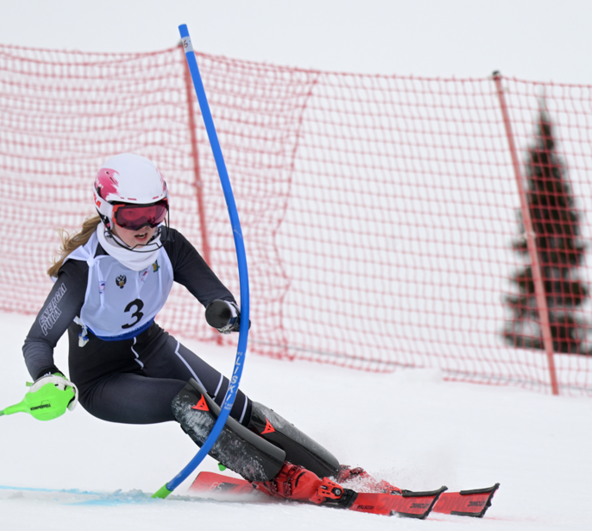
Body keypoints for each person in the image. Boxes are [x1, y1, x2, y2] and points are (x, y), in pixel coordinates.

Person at [21, 153, 386, 505]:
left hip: (152, 347)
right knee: (188, 399)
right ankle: (279, 477)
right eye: (131, 216)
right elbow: (38, 340)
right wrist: (47, 376)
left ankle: (337, 474)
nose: (145, 227)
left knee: (237, 406)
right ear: (105, 211)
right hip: (103, 380)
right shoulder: (84, 269)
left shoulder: (169, 245)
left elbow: (217, 296)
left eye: (155, 213)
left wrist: (225, 313)